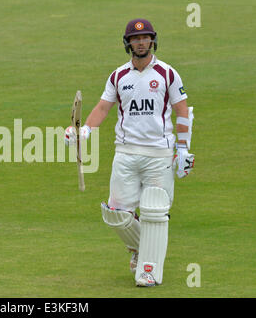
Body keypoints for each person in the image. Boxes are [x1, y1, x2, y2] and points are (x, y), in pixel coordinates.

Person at [65, 18, 195, 287]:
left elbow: (182, 111)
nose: (140, 42)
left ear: (152, 40)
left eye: (145, 37)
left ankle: (148, 270)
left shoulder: (168, 74)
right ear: (128, 43)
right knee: (116, 214)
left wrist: (183, 148)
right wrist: (84, 132)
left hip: (159, 154)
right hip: (125, 153)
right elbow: (102, 108)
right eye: (135, 39)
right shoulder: (118, 76)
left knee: (154, 210)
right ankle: (138, 247)